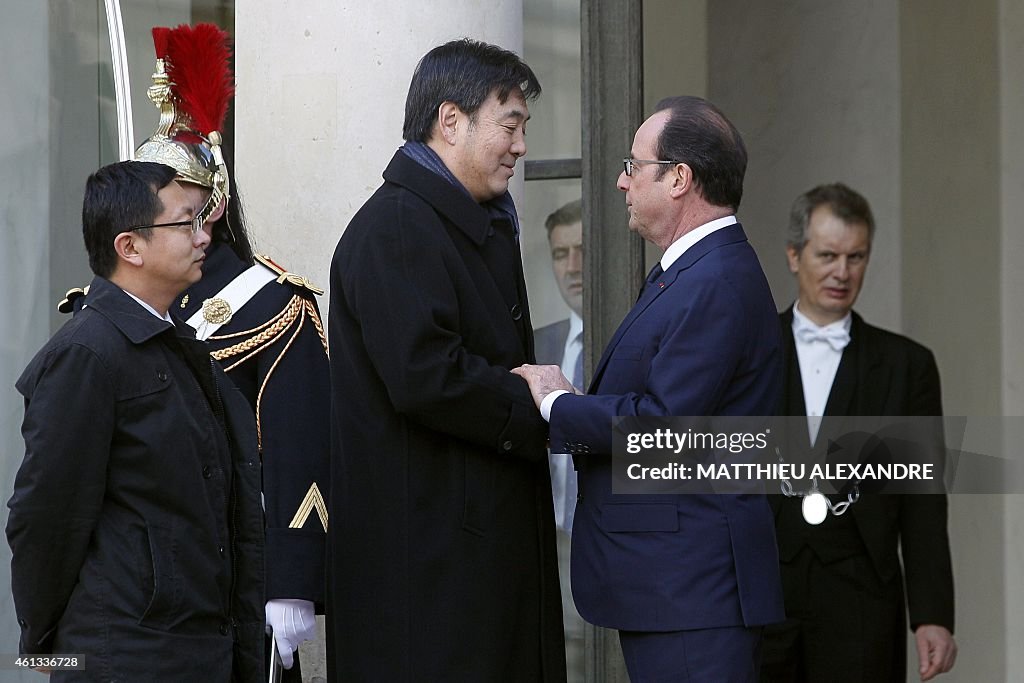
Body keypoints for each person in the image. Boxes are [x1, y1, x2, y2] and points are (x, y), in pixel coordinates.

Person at [59, 24, 328, 676]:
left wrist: (293, 580)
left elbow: (301, 444)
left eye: (175, 203)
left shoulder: (272, 305)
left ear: (209, 206)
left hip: (234, 569)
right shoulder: (104, 306)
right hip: (129, 586)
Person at [513, 95, 785, 682]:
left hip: (693, 595)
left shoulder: (715, 279)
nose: (620, 181)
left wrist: (559, 403)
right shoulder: (693, 271)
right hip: (677, 591)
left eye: (634, 166)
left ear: (680, 178)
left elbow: (662, 427)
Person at [326, 39, 566, 682]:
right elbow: (424, 376)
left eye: (523, 128)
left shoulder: (471, 220)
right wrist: (536, 400)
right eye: (508, 125)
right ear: (450, 121)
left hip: (472, 560)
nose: (520, 146)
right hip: (431, 573)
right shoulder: (398, 226)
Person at [6, 161, 265, 681]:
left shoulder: (174, 343)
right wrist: (42, 644)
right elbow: (47, 515)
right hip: (125, 656)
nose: (202, 237)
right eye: (185, 222)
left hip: (193, 653)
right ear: (130, 247)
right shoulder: (88, 353)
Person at [759, 183, 956, 682]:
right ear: (793, 255)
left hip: (863, 599)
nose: (842, 273)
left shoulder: (905, 366)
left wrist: (932, 614)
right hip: (762, 595)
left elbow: (923, 500)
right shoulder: (751, 353)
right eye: (827, 255)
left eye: (856, 257)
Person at [533, 198, 586, 679]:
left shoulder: (630, 341)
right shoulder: (537, 343)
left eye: (584, 250)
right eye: (559, 253)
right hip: (546, 534)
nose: (572, 267)